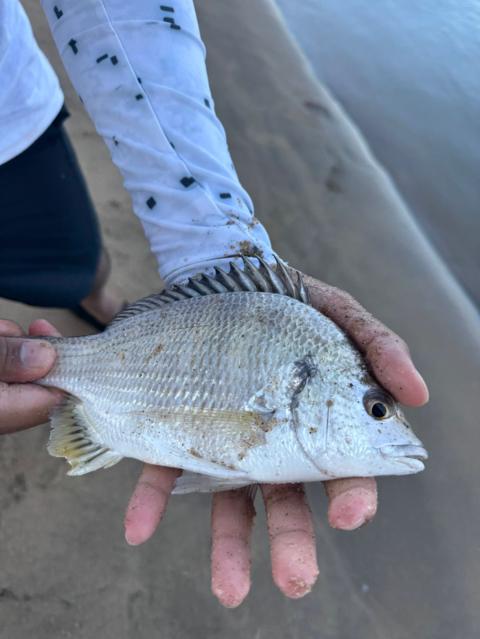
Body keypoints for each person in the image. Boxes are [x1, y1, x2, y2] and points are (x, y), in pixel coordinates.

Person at [0, 0, 428, 608]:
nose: (385, 422)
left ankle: (89, 306)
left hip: (12, 122)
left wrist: (210, 236)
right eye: (376, 410)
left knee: (69, 263)